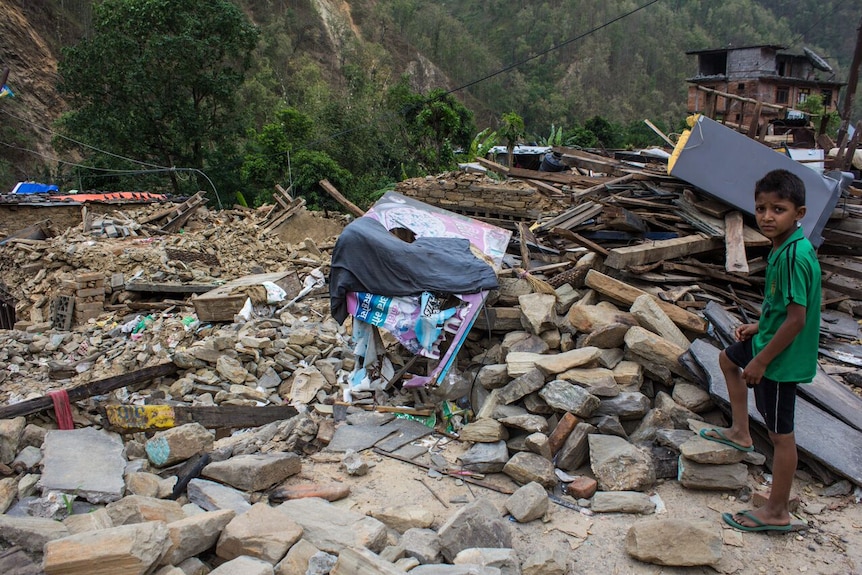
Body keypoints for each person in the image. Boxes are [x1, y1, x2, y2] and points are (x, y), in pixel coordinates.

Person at [699, 169, 821, 533]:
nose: (767, 217)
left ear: (799, 213)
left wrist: (761, 360)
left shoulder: (793, 257)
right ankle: (740, 431)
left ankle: (777, 510)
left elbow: (797, 320)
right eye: (761, 208)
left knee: (782, 436)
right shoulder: (786, 247)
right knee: (725, 359)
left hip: (781, 358)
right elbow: (785, 307)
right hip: (769, 337)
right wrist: (758, 326)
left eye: (778, 209)